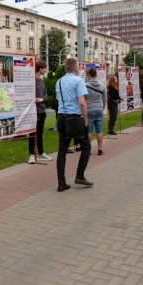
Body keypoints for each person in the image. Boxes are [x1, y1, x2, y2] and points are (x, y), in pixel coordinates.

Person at [55, 58, 93, 192]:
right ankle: (80, 175)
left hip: (61, 118)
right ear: (76, 68)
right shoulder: (78, 81)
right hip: (75, 118)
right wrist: (86, 119)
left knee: (62, 151)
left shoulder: (58, 81)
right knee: (86, 147)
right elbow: (82, 102)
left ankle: (61, 183)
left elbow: (59, 100)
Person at [28, 60, 52, 163]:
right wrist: (35, 99)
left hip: (42, 111)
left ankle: (41, 153)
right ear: (40, 69)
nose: (46, 70)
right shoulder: (31, 81)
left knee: (40, 132)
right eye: (44, 68)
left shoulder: (42, 81)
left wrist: (42, 99)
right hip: (34, 111)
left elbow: (45, 95)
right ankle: (31, 155)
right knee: (33, 132)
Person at [85, 68, 107, 155]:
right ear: (96, 75)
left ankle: (88, 150)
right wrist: (102, 107)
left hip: (89, 110)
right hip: (99, 109)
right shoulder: (102, 85)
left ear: (88, 75)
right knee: (99, 130)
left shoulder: (85, 85)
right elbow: (104, 99)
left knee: (89, 131)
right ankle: (100, 149)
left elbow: (83, 98)